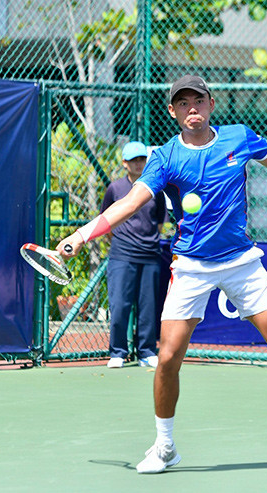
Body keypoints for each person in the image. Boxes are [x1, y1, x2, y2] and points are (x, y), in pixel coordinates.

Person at [57, 74, 267, 473]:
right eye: (183, 102)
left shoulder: (238, 137)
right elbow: (130, 202)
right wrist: (83, 233)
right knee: (168, 356)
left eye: (198, 100)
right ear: (172, 111)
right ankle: (164, 447)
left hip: (241, 260)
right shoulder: (164, 158)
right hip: (191, 266)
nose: (191, 107)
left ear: (211, 104)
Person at [102, 141, 168, 369]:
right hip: (121, 256)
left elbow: (159, 222)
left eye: (141, 159)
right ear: (124, 163)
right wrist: (122, 243)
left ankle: (146, 352)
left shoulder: (155, 190)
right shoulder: (114, 189)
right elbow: (106, 222)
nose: (138, 164)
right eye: (133, 160)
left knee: (148, 307)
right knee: (119, 305)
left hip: (150, 256)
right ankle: (118, 353)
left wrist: (146, 242)